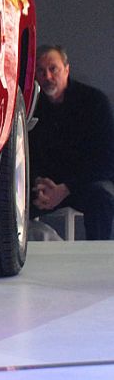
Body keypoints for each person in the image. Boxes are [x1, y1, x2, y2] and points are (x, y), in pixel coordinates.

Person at [29, 44, 114, 239]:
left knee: (102, 198)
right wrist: (38, 182)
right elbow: (24, 154)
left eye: (53, 69)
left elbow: (106, 161)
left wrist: (66, 188)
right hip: (45, 187)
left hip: (84, 183)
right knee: (9, 201)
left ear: (67, 69)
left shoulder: (94, 102)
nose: (47, 77)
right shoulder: (32, 107)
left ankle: (98, 263)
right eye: (41, 71)